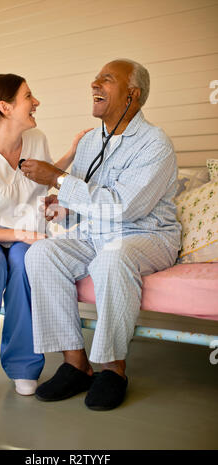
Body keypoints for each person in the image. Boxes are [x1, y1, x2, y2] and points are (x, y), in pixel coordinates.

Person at [20, 59, 182, 411]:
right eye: (95, 78)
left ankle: (113, 368)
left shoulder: (155, 144)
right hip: (97, 231)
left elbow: (123, 207)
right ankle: (76, 363)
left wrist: (57, 178)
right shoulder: (92, 141)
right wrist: (61, 206)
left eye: (106, 80)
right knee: (41, 254)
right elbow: (84, 202)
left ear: (132, 95)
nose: (95, 84)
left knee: (113, 256)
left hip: (147, 234)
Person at [0, 73, 89, 407]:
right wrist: (19, 234)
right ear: (5, 107)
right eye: (29, 96)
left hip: (23, 239)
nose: (36, 102)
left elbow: (40, 182)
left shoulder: (36, 138)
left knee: (24, 262)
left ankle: (23, 366)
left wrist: (71, 153)